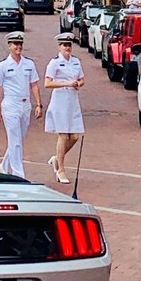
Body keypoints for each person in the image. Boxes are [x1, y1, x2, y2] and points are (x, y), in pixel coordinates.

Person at [0, 31, 43, 178]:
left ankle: (4, 165)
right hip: (10, 104)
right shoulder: (2, 66)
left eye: (20, 44)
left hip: (25, 104)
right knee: (15, 139)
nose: (18, 47)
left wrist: (39, 104)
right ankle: (18, 173)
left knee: (18, 139)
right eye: (15, 44)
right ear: (9, 46)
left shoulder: (29, 64)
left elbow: (34, 85)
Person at [44, 32, 85, 184]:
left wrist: (78, 83)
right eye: (64, 45)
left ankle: (56, 158)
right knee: (63, 135)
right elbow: (47, 83)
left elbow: (81, 79)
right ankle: (60, 169)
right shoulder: (54, 63)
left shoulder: (75, 62)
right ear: (59, 47)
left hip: (72, 101)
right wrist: (66, 83)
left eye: (69, 45)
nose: (67, 47)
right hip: (60, 101)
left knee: (74, 136)